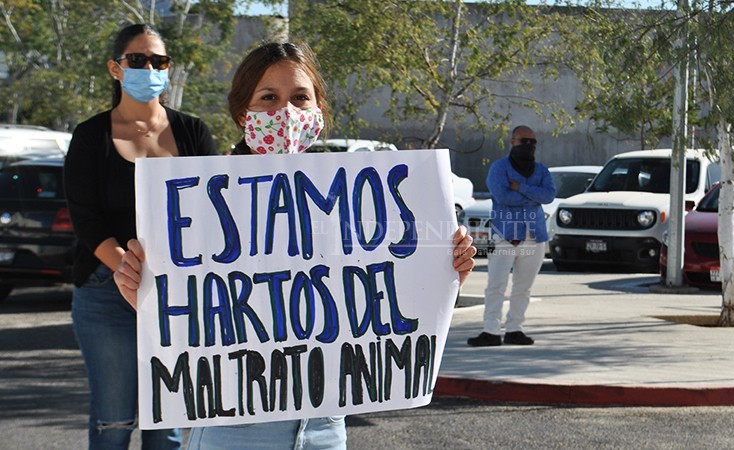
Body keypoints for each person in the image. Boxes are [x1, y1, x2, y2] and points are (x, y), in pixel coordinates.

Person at [113, 41, 476, 449]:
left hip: (324, 428)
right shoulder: (199, 203)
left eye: (300, 97)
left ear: (318, 111)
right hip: (231, 432)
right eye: (269, 98)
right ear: (242, 113)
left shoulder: (349, 203)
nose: (286, 112)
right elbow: (191, 312)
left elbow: (381, 295)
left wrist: (444, 273)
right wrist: (144, 295)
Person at [63, 24, 217, 449]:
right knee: (113, 423)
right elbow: (86, 219)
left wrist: (164, 281)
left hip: (177, 295)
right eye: (138, 60)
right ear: (116, 68)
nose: (149, 67)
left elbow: (214, 211)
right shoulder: (90, 136)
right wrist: (134, 274)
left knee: (166, 421)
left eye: (159, 61)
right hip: (105, 291)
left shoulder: (194, 133)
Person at [467, 126, 555, 347]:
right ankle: (491, 330)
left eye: (532, 142)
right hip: (505, 234)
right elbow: (503, 196)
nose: (528, 146)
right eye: (523, 141)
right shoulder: (499, 168)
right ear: (512, 142)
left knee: (523, 287)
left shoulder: (542, 170)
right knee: (496, 284)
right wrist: (533, 196)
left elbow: (550, 195)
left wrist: (521, 187)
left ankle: (515, 328)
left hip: (534, 236)